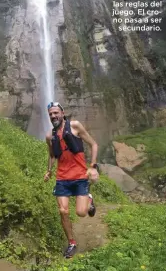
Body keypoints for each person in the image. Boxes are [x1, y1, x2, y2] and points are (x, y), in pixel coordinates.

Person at [44, 102, 99, 259]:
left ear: (62, 112)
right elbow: (52, 155)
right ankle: (72, 243)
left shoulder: (75, 126)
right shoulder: (50, 136)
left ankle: (89, 199)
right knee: (63, 211)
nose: (53, 116)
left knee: (81, 213)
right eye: (51, 114)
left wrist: (93, 166)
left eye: (56, 113)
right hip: (62, 178)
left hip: (80, 176)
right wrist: (49, 171)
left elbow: (94, 144)